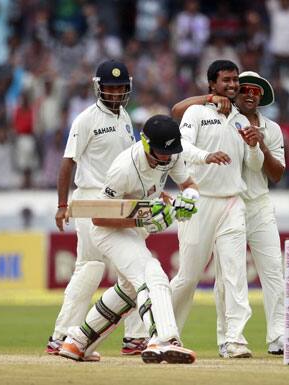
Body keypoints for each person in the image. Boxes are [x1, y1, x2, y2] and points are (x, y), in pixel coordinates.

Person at [171, 71, 289, 356]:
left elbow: (276, 174)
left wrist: (259, 143)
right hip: (228, 202)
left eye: (256, 92)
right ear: (234, 94)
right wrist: (210, 97)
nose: (250, 95)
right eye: (245, 90)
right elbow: (178, 111)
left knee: (273, 273)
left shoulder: (271, 129)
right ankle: (224, 338)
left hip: (259, 205)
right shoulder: (219, 114)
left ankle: (278, 337)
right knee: (225, 275)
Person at [59, 115, 199, 364]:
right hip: (109, 231)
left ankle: (78, 341)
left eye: (170, 153)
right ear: (146, 144)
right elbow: (98, 218)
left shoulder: (170, 153)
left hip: (134, 229)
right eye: (160, 153)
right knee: (152, 274)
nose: (166, 159)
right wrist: (142, 219)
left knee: (128, 290)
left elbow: (188, 184)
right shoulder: (124, 168)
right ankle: (162, 338)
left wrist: (188, 199)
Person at [47, 59, 148, 359]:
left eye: (120, 88)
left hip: (119, 199)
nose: (116, 94)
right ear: (99, 88)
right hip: (91, 196)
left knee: (129, 268)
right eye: (110, 88)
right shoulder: (86, 119)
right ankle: (65, 335)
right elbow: (67, 162)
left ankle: (131, 337)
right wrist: (62, 205)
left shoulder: (126, 118)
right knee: (92, 267)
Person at [169, 60, 264, 358]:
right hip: (200, 201)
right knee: (189, 275)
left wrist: (252, 146)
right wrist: (206, 156)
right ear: (212, 84)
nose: (233, 85)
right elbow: (181, 147)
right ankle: (163, 332)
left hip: (232, 202)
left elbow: (255, 166)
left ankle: (233, 339)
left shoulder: (241, 120)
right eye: (226, 80)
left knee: (234, 275)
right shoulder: (196, 112)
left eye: (235, 80)